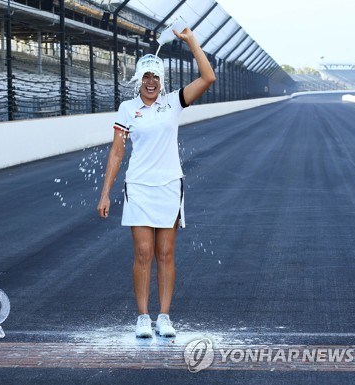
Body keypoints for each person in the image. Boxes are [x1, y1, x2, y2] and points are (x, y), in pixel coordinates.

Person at [97, 27, 215, 338]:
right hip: (138, 187)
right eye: (146, 77)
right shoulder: (127, 109)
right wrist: (106, 193)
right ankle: (142, 318)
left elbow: (208, 78)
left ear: (162, 80)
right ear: (139, 79)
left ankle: (164, 316)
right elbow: (116, 153)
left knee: (165, 253)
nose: (151, 82)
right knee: (143, 252)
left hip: (169, 186)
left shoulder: (173, 102)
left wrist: (191, 41)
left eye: (156, 77)